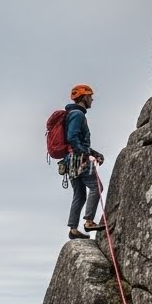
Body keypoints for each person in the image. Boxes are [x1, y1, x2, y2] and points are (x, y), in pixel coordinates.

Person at [63, 84, 106, 239]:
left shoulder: (71, 114)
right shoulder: (78, 115)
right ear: (84, 97)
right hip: (78, 159)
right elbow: (72, 137)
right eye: (90, 96)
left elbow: (76, 140)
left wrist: (94, 153)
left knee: (80, 195)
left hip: (70, 160)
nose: (92, 99)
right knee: (97, 187)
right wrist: (85, 155)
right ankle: (89, 221)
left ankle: (73, 229)